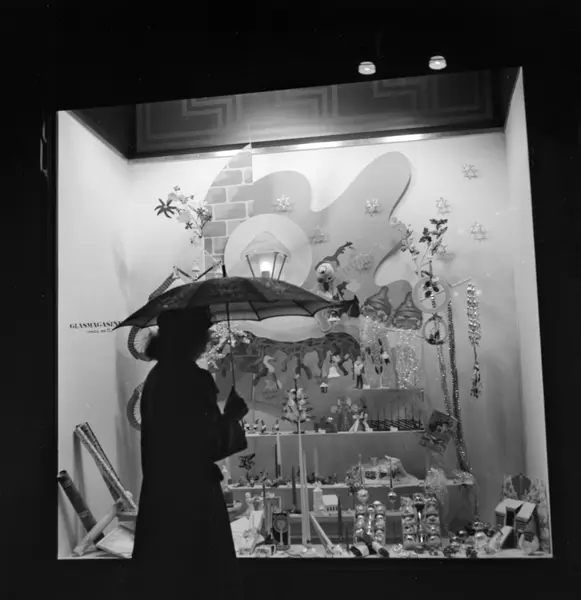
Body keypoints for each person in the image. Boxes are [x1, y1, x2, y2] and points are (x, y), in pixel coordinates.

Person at [132, 308, 248, 598]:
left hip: (160, 499)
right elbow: (208, 445)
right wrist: (232, 417)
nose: (208, 339)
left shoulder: (156, 378)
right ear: (189, 337)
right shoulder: (194, 379)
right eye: (204, 332)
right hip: (195, 502)